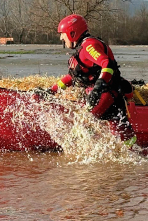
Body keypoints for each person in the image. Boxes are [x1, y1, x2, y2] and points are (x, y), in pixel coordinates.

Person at [50, 14, 136, 145]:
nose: (61, 37)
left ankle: (76, 156)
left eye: (62, 34)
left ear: (72, 33)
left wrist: (97, 89)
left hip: (107, 95)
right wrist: (51, 90)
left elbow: (106, 64)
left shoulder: (89, 46)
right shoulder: (83, 48)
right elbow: (72, 78)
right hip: (107, 96)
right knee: (125, 141)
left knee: (82, 124)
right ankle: (133, 160)